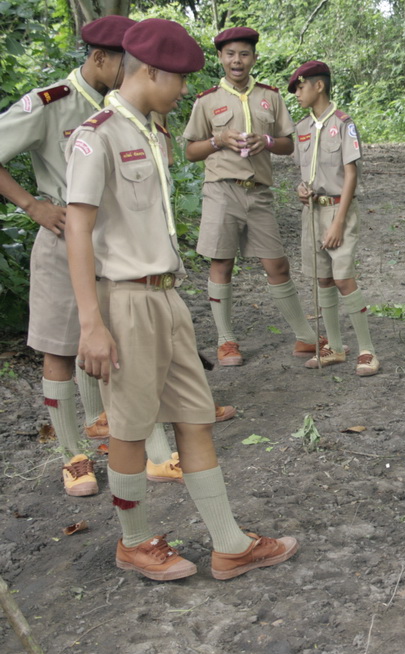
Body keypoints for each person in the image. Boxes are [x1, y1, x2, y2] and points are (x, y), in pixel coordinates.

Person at [64, 17, 298, 581]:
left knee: (195, 418)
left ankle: (230, 544)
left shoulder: (152, 132)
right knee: (128, 427)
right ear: (150, 71)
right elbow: (77, 229)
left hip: (167, 298)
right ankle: (135, 541)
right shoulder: (98, 135)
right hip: (125, 301)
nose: (186, 90)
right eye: (180, 80)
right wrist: (92, 324)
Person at [0, 15, 200, 496]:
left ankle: (148, 450)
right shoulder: (52, 103)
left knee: (128, 351)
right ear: (100, 57)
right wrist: (32, 205)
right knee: (60, 346)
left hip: (122, 247)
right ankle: (73, 455)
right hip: (66, 237)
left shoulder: (137, 110)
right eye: (123, 59)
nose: (132, 67)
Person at [183, 26, 320, 368]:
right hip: (221, 190)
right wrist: (218, 140)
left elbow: (287, 144)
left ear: (254, 58)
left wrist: (267, 141)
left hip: (258, 193)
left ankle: (305, 336)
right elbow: (190, 151)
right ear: (220, 57)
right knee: (222, 263)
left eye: (244, 54)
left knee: (277, 264)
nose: (237, 61)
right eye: (230, 54)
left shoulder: (270, 96)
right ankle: (226, 341)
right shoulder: (207, 100)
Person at [288, 61, 379, 375]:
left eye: (300, 87)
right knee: (323, 278)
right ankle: (335, 348)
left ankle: (367, 350)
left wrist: (339, 222)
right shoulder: (301, 128)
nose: (297, 93)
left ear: (319, 86)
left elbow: (351, 174)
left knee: (343, 278)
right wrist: (302, 190)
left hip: (338, 210)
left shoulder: (343, 123)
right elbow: (305, 173)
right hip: (312, 212)